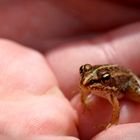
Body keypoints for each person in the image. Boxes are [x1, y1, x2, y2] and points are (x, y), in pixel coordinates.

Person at [0, 1, 139, 140]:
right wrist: (84, 100)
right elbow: (85, 86)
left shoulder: (111, 93)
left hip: (127, 80)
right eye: (83, 72)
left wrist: (112, 123)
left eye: (104, 79)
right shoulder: (88, 83)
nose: (84, 82)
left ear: (106, 81)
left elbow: (116, 107)